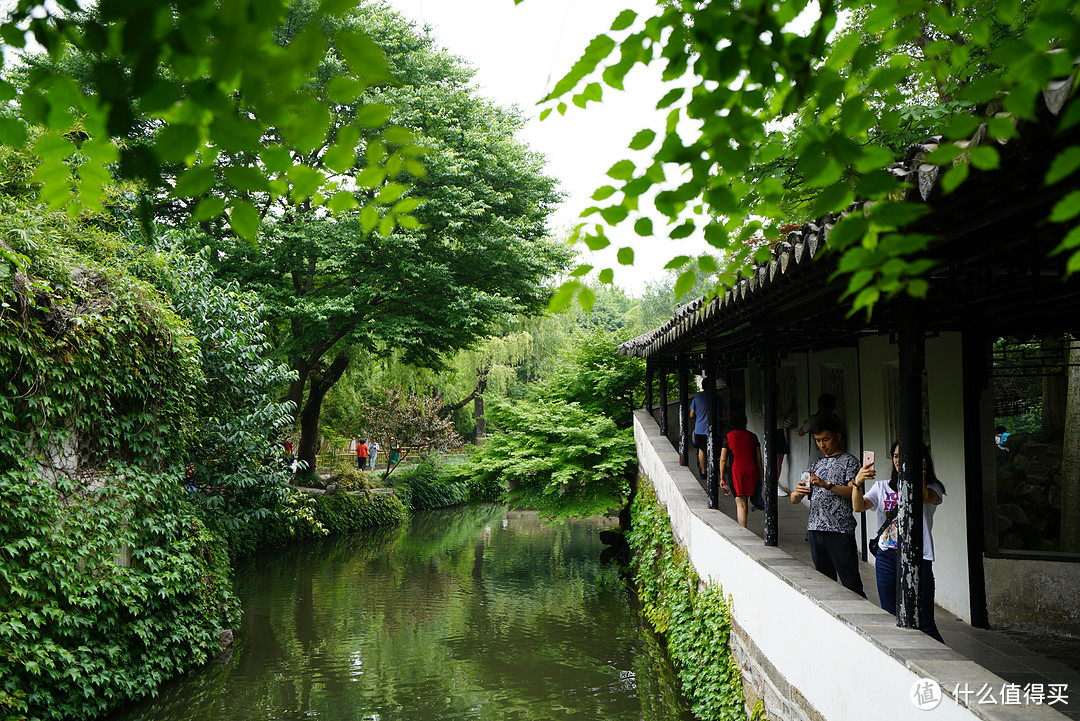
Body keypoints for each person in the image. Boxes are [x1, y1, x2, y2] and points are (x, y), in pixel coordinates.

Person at [852, 441, 946, 642]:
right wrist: (857, 483)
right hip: (887, 558)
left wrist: (917, 471)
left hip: (918, 558)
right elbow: (858, 506)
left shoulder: (933, 487)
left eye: (904, 456)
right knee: (889, 616)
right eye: (895, 456)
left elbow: (922, 497)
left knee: (926, 622)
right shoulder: (881, 487)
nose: (899, 460)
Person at [790, 417, 865, 597]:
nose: (822, 445)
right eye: (817, 441)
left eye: (825, 439)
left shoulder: (850, 462)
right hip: (815, 530)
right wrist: (798, 493)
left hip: (840, 530)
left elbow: (853, 493)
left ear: (837, 437)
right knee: (825, 584)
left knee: (850, 583)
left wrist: (826, 484)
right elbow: (794, 500)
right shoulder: (816, 465)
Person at [719, 413, 762, 527]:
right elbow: (758, 458)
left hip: (737, 471)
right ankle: (744, 526)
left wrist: (722, 477)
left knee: (740, 504)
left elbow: (723, 459)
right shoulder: (753, 436)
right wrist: (761, 476)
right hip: (752, 470)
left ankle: (743, 530)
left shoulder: (728, 437)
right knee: (745, 502)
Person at [688, 377, 725, 476]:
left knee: (701, 449)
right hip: (715, 429)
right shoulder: (717, 398)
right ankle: (714, 469)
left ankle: (703, 471)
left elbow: (691, 415)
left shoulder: (697, 399)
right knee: (716, 448)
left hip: (700, 429)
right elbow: (723, 414)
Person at [797, 393, 847, 458]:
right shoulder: (836, 418)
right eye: (818, 440)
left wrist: (808, 422)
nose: (822, 445)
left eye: (826, 439)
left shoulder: (814, 419)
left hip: (818, 458)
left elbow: (800, 433)